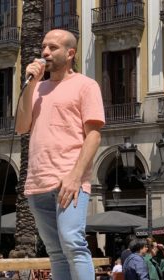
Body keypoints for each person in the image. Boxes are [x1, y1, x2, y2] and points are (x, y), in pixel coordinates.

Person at [15, 28, 105, 280]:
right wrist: (31, 84)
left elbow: (94, 135)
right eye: (44, 47)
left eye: (53, 48)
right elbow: (22, 127)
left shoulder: (86, 86)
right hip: (37, 183)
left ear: (70, 53)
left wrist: (76, 176)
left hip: (69, 181)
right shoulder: (37, 89)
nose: (45, 52)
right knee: (55, 251)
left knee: (73, 243)